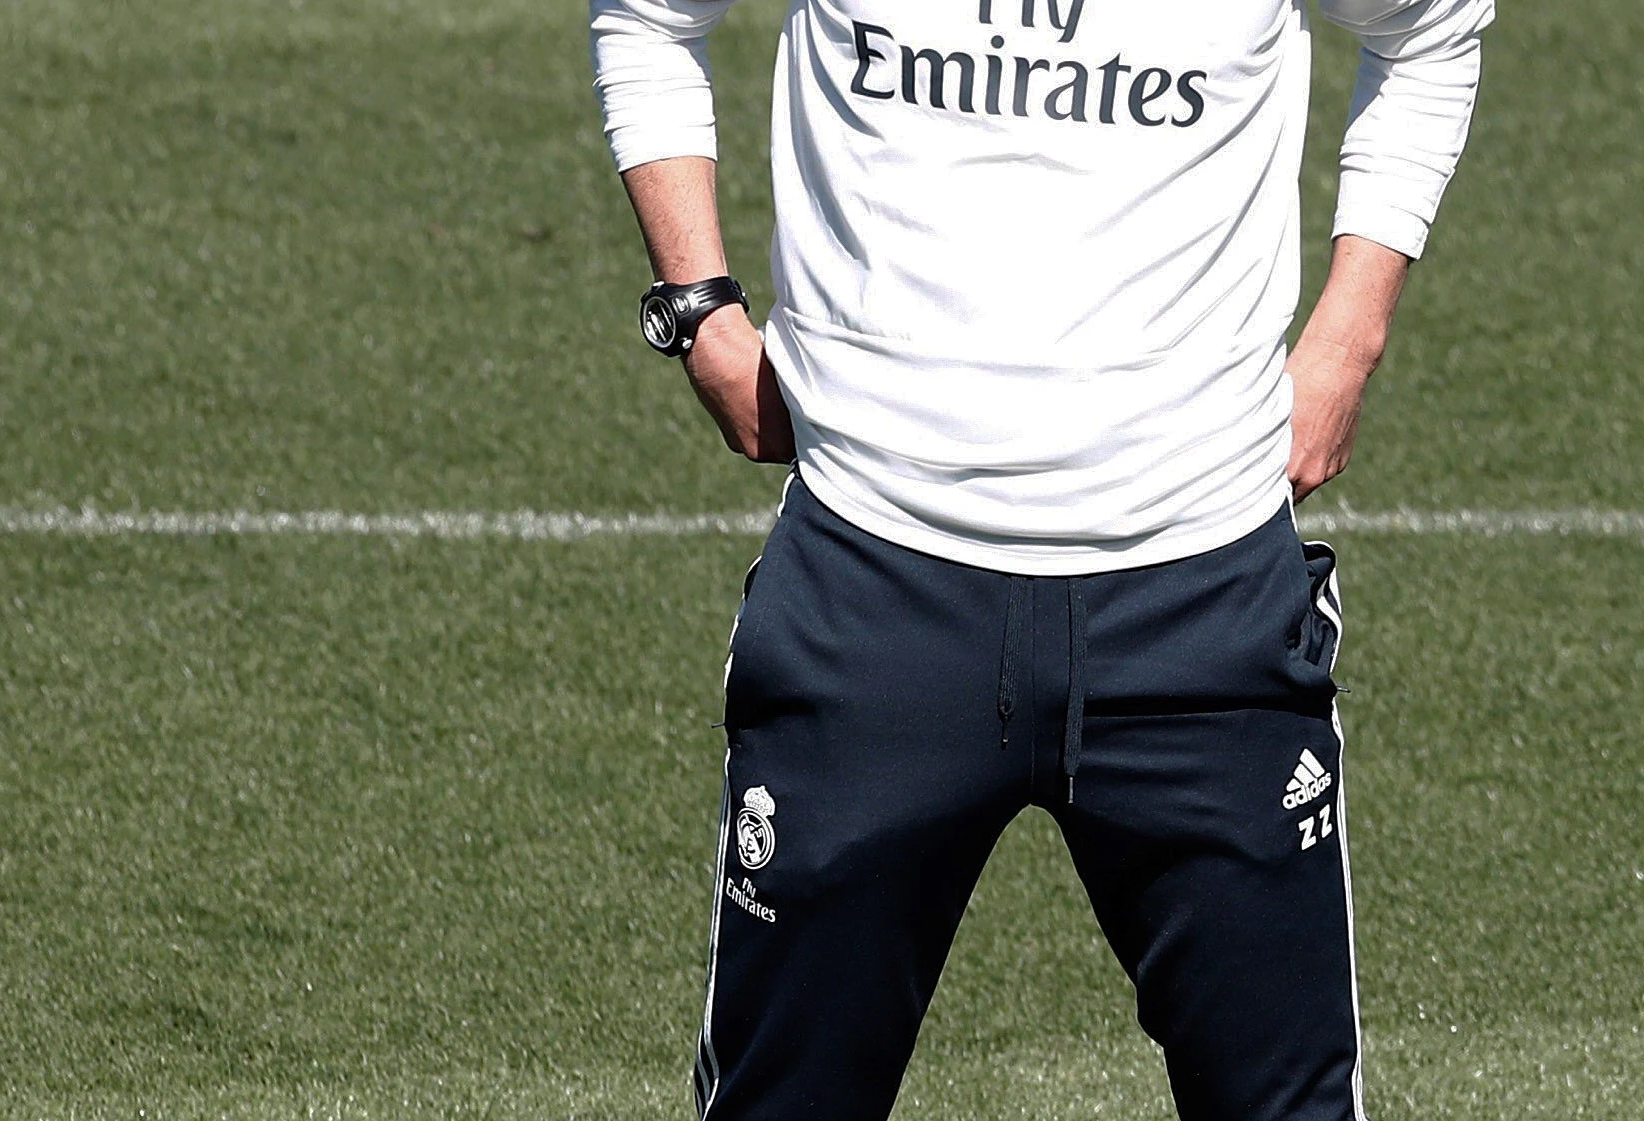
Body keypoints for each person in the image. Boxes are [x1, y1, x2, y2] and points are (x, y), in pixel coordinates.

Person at [590, 0, 1491, 1117]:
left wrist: (1348, 341)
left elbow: (1429, 29)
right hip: (873, 587)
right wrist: (701, 309)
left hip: (1199, 602)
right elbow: (646, 14)